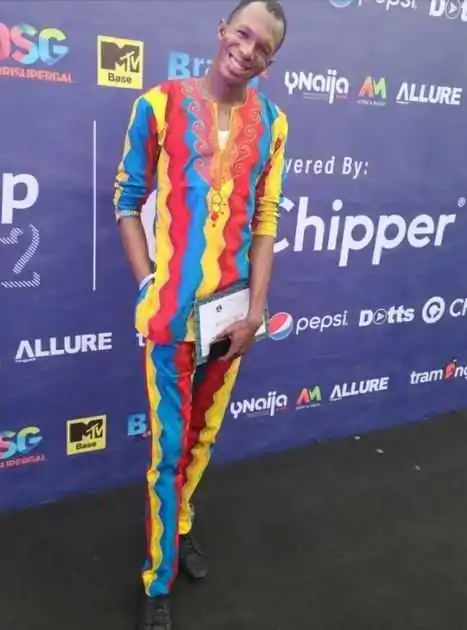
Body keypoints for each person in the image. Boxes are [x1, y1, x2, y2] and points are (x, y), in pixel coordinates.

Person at [113, 1, 288, 628]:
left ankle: (179, 524)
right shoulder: (158, 105)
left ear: (270, 62)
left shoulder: (274, 124)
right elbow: (127, 201)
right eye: (242, 34)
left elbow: (265, 221)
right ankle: (156, 580)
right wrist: (147, 285)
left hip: (229, 321)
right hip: (168, 321)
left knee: (202, 438)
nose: (247, 50)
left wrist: (257, 312)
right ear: (222, 31)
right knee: (167, 450)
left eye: (263, 47)